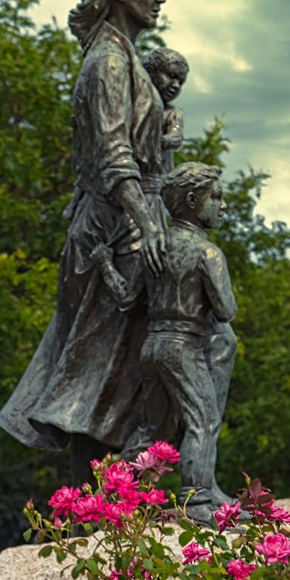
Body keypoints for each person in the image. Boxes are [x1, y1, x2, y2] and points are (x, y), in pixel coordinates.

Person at [0, 0, 168, 486]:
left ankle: (112, 505)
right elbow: (114, 155)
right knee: (95, 381)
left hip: (119, 224)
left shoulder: (125, 57)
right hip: (110, 232)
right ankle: (89, 513)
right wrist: (150, 225)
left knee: (116, 375)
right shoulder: (109, 62)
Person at [91, 162, 236, 523]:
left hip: (152, 346)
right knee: (202, 419)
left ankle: (107, 499)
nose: (223, 205)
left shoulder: (154, 247)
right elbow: (226, 309)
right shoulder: (207, 253)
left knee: (151, 427)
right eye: (215, 197)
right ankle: (198, 499)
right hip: (183, 345)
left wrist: (106, 265)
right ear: (192, 200)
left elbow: (127, 298)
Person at [142, 46, 188, 174]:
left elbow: (176, 137)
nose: (176, 85)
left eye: (181, 82)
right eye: (171, 76)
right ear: (149, 72)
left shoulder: (172, 113)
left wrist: (159, 140)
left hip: (159, 177)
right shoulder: (131, 105)